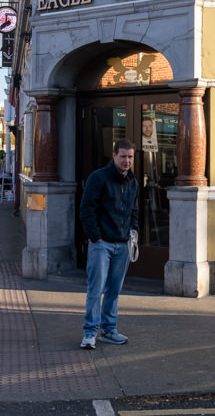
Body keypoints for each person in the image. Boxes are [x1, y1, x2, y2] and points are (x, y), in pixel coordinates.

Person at [79, 138, 139, 349]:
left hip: (122, 245)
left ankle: (109, 330)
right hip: (101, 244)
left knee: (114, 290)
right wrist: (96, 237)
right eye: (123, 156)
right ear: (113, 156)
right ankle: (89, 333)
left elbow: (134, 210)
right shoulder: (99, 178)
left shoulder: (132, 181)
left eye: (130, 156)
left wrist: (134, 231)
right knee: (95, 290)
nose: (127, 161)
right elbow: (86, 209)